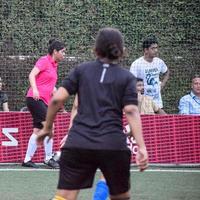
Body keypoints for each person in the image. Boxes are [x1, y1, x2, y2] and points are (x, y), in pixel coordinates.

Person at [37, 27, 148, 200]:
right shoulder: (127, 78)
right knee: (121, 196)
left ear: (95, 50)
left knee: (65, 196)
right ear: (122, 52)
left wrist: (47, 128)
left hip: (79, 142)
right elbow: (131, 111)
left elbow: (56, 100)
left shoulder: (81, 70)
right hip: (112, 144)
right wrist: (141, 147)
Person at [22, 39, 65, 169]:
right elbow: (31, 75)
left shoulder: (54, 65)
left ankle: (27, 160)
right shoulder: (44, 61)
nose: (64, 54)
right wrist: (34, 89)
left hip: (43, 101)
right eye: (63, 52)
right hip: (35, 99)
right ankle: (48, 158)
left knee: (37, 130)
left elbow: (51, 87)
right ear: (55, 51)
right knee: (49, 126)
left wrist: (60, 103)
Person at [130, 37, 170, 108]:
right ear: (146, 50)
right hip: (143, 104)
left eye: (156, 48)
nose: (156, 50)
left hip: (157, 102)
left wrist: (162, 84)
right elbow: (131, 82)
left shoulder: (159, 62)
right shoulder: (136, 64)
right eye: (153, 48)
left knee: (160, 119)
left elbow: (167, 72)